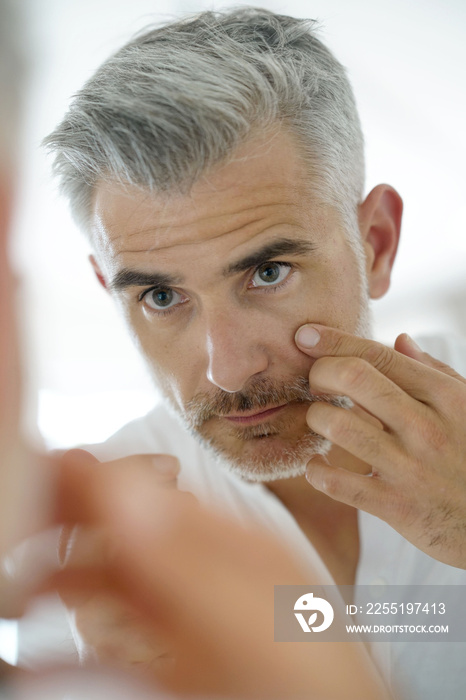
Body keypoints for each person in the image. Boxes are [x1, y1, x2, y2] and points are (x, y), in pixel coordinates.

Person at [34, 5, 466, 700]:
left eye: (267, 274)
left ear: (376, 244)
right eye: (162, 298)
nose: (228, 368)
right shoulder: (83, 565)